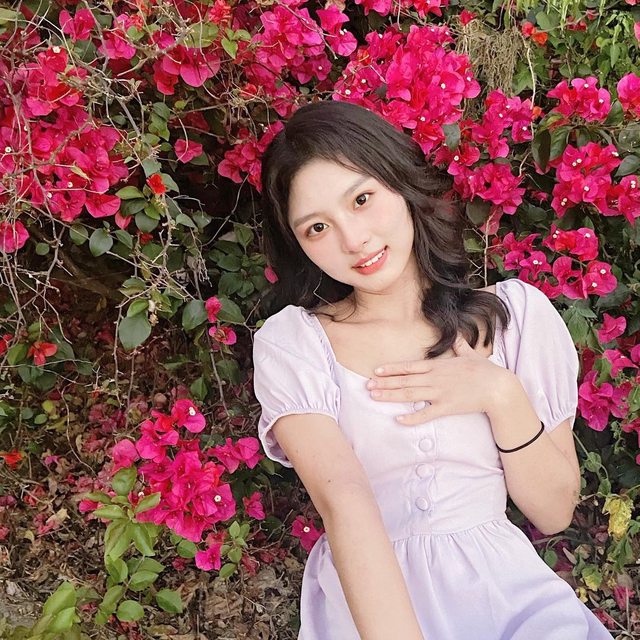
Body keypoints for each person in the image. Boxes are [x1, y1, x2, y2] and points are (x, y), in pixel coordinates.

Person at [251, 100, 614, 640]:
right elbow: (344, 500)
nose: (353, 240)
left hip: (510, 601)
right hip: (370, 610)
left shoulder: (514, 317)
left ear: (401, 182)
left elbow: (555, 510)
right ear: (299, 245)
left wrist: (500, 393)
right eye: (318, 227)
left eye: (362, 199)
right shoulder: (296, 344)